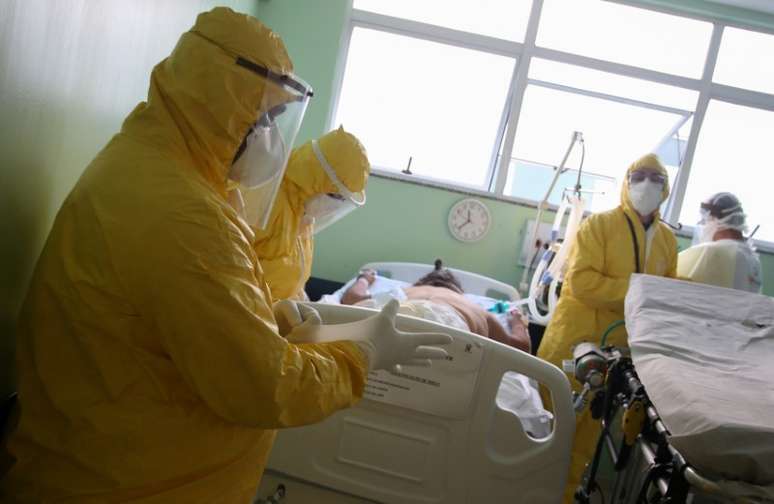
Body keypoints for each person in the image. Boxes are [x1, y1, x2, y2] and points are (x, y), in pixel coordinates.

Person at [2, 8, 450, 502]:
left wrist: (278, 318)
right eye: (265, 119)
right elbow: (263, 386)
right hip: (124, 484)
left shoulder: (149, 166)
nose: (272, 140)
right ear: (220, 102)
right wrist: (358, 358)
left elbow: (190, 319)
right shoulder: (184, 215)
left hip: (114, 465)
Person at [536, 153, 678, 503]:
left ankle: (563, 498)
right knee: (546, 431)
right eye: (639, 176)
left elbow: (665, 294)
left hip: (618, 358)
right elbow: (582, 282)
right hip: (576, 344)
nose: (647, 184)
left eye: (656, 178)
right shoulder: (599, 226)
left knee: (585, 444)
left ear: (666, 188)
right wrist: (639, 291)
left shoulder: (667, 241)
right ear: (627, 182)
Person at [252, 126, 369, 301]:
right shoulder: (266, 201)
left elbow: (293, 277)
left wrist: (303, 304)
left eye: (341, 199)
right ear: (314, 179)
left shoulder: (304, 214)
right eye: (334, 195)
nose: (335, 205)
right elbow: (234, 272)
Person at [340, 260, 531, 353]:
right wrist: (516, 320)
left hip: (395, 320)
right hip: (451, 329)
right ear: (458, 290)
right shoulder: (472, 307)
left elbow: (351, 298)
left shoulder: (404, 292)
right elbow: (520, 347)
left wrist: (365, 278)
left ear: (421, 283)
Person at [678, 192, 762, 293]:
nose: (702, 225)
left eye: (704, 220)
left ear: (714, 219)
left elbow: (671, 281)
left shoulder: (711, 251)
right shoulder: (752, 258)